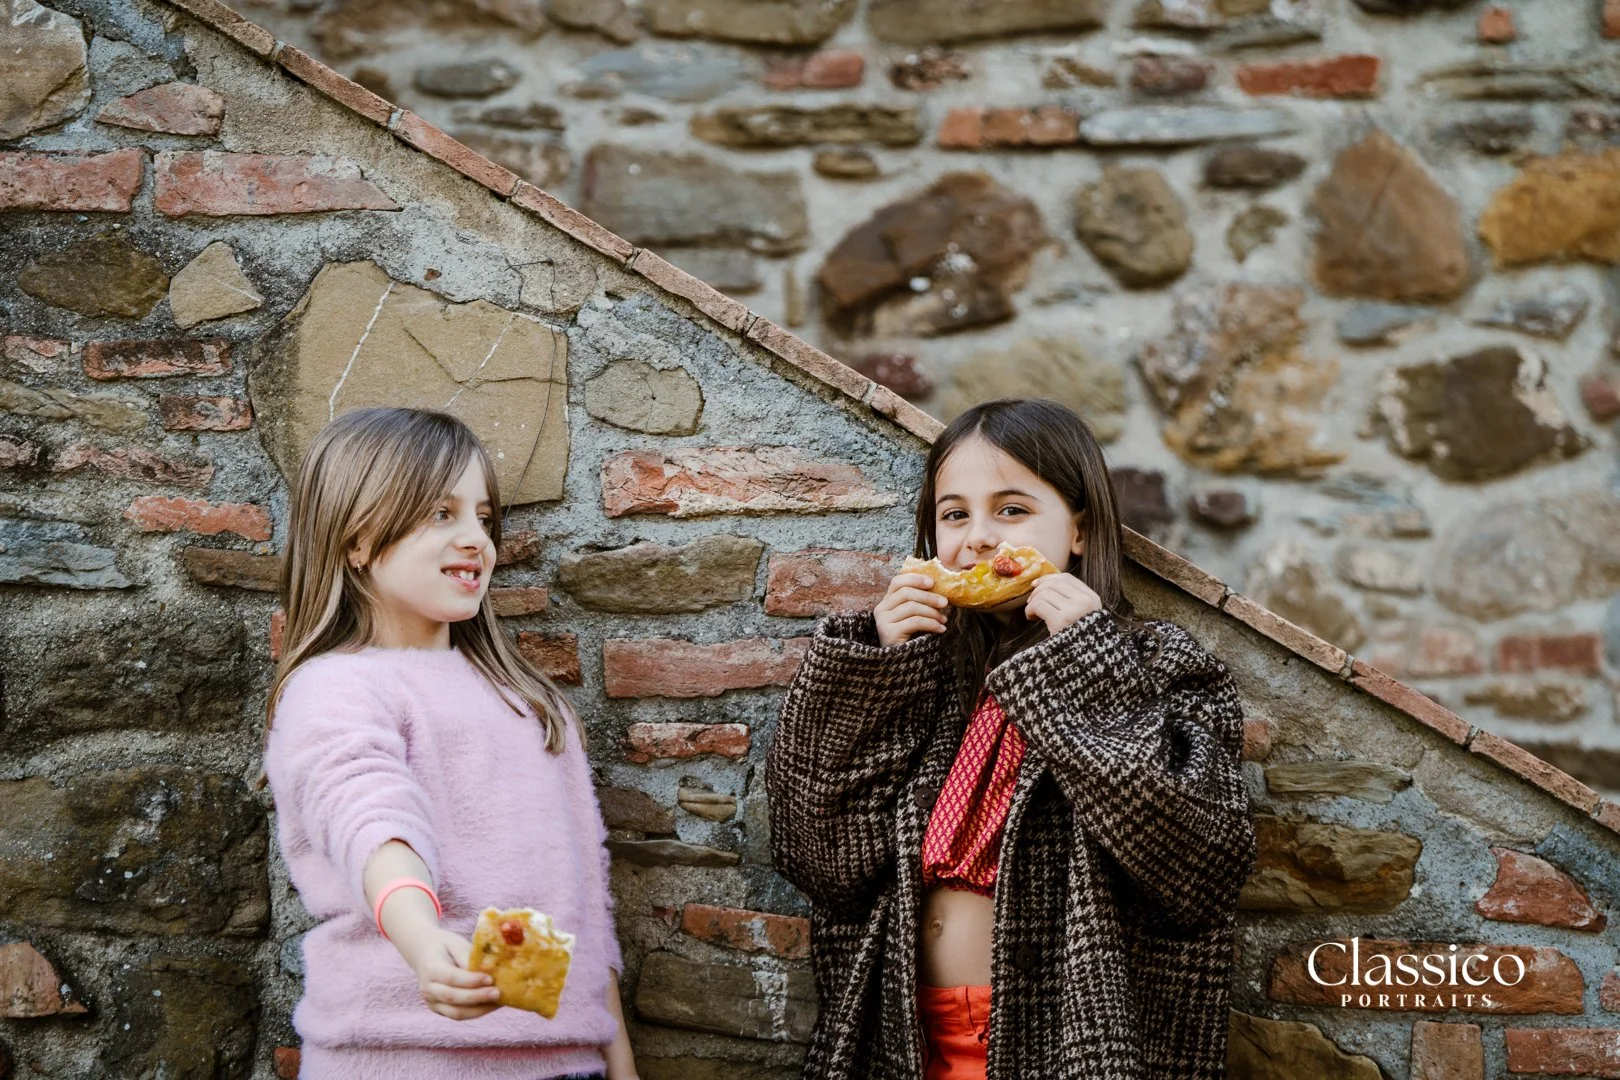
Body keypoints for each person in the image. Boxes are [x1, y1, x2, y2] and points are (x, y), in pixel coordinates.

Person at [765, 397, 1257, 1080]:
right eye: (955, 513)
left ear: (1078, 530)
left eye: (1013, 510)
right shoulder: (922, 672)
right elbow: (818, 858)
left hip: (1063, 1039)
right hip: (900, 1035)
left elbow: (1198, 869)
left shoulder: (1158, 664)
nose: (978, 538)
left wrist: (1090, 665)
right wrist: (870, 672)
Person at [263, 406, 638, 1080]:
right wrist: (421, 936)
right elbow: (369, 820)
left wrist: (619, 1062)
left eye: (484, 518)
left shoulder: (534, 705)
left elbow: (581, 904)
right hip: (406, 1059)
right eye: (441, 513)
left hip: (563, 1062)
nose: (476, 540)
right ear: (356, 540)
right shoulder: (336, 688)